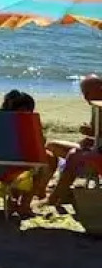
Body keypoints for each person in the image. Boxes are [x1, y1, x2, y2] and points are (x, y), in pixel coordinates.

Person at [43, 74, 102, 210]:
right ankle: (56, 189)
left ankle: (54, 197)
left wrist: (92, 134)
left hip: (98, 154)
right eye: (83, 93)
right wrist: (91, 136)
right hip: (95, 148)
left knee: (74, 155)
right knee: (52, 146)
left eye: (88, 92)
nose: (85, 97)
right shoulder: (96, 106)